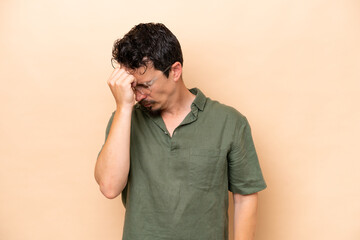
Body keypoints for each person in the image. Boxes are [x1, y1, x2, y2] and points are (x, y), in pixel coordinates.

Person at [94, 22, 267, 240]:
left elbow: (245, 197)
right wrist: (123, 107)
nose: (138, 95)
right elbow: (109, 187)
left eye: (145, 85)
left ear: (175, 71)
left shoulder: (229, 122)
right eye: (132, 86)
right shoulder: (124, 119)